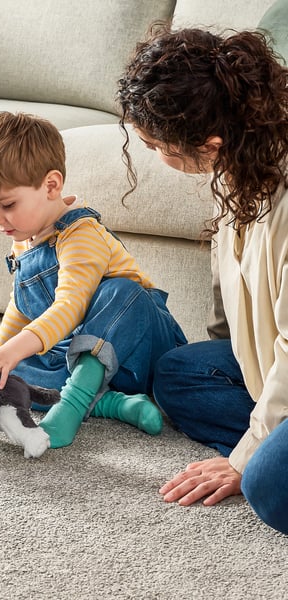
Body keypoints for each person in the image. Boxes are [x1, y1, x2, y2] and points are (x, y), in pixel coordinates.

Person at [117, 24, 288, 534]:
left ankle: (267, 455)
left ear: (209, 144)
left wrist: (246, 456)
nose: (155, 156)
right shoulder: (243, 158)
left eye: (155, 145)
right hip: (273, 366)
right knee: (178, 373)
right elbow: (231, 294)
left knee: (268, 486)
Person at [0, 111, 187, 448]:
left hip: (140, 348)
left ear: (51, 185)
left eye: (6, 204)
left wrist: (11, 353)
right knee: (15, 375)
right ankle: (110, 403)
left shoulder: (81, 234)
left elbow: (69, 307)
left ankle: (73, 405)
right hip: (86, 363)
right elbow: (21, 308)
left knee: (123, 291)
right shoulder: (25, 236)